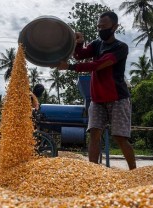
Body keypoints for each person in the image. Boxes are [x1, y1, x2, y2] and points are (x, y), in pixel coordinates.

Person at [56, 11, 136, 170]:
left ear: (115, 27)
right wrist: (79, 42)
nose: (100, 30)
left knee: (120, 137)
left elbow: (98, 65)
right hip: (97, 99)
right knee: (94, 134)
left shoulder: (121, 47)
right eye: (99, 27)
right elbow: (79, 55)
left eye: (104, 27)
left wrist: (70, 67)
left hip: (118, 98)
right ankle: (93, 172)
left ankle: (134, 172)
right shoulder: (97, 44)